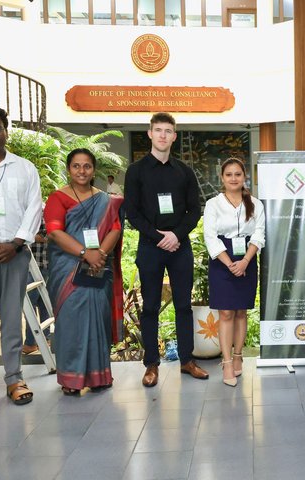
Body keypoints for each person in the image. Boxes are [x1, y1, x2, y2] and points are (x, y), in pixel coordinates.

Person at [123, 112, 208, 387]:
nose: (162, 135)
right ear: (149, 133)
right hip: (150, 246)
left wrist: (176, 235)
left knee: (184, 305)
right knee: (150, 307)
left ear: (174, 135)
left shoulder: (184, 171)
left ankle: (187, 361)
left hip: (179, 246)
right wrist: (159, 236)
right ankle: (151, 365)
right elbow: (132, 213)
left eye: (167, 131)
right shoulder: (136, 171)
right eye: (157, 130)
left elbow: (195, 210)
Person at [0, 105, 42, 413]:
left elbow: (34, 208)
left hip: (15, 254)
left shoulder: (24, 168)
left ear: (6, 131)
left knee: (13, 320)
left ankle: (15, 379)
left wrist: (16, 243)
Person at [45, 148, 123, 395]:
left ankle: (99, 376)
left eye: (87, 166)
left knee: (97, 318)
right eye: (76, 166)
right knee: (71, 321)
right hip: (68, 268)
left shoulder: (104, 199)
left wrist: (99, 254)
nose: (82, 171)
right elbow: (55, 232)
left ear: (93, 170)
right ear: (69, 169)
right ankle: (71, 379)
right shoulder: (58, 198)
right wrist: (84, 253)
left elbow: (115, 228)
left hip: (98, 266)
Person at [203, 158, 265, 386]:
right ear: (222, 177)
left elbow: (259, 234)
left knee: (241, 312)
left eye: (237, 174)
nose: (233, 178)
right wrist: (230, 263)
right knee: (226, 313)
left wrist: (245, 261)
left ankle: (238, 356)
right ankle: (227, 362)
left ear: (244, 176)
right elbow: (209, 236)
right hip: (222, 259)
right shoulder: (213, 204)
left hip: (247, 257)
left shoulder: (256, 204)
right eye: (228, 174)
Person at [22, 214, 51, 355]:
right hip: (44, 265)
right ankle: (45, 339)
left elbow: (43, 238)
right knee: (42, 303)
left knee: (30, 304)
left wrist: (31, 237)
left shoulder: (37, 214)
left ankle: (31, 342)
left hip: (36, 265)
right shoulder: (42, 212)